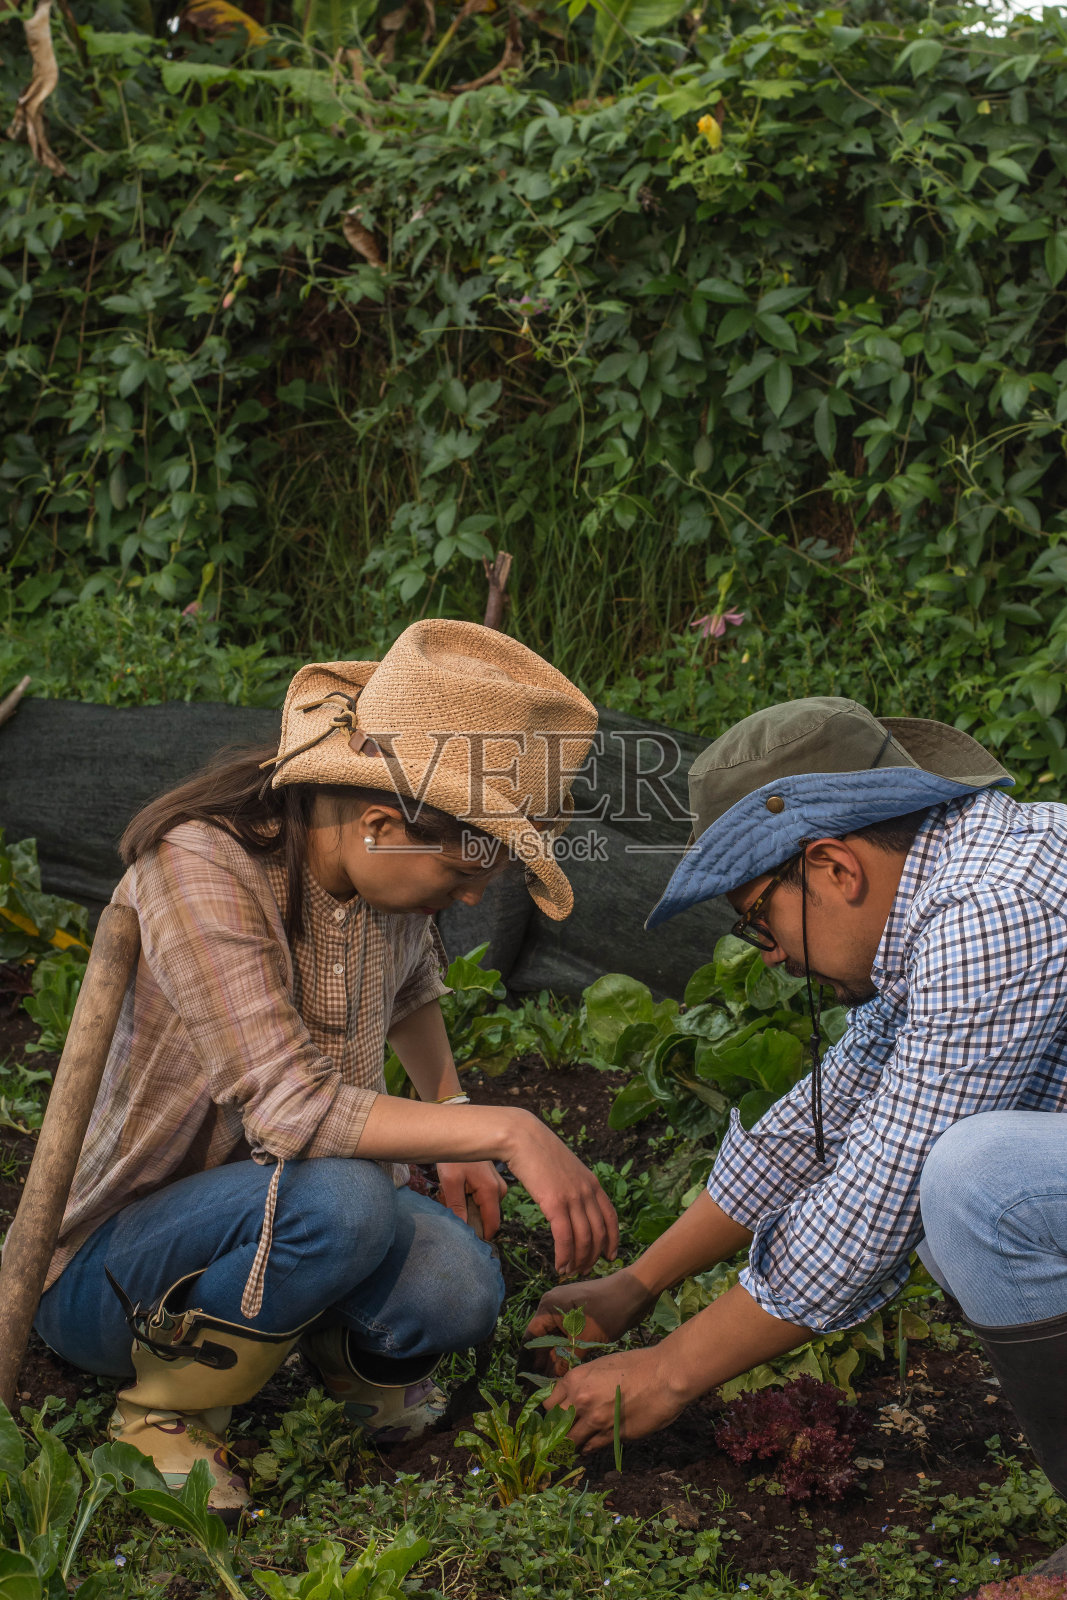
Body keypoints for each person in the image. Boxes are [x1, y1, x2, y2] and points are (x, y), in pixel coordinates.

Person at [36, 620, 618, 1514]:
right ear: (382, 824)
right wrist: (506, 1127)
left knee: (459, 1289)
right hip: (114, 1272)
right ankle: (161, 1414)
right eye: (463, 875)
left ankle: (323, 1354)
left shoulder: (367, 866)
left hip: (287, 1218)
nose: (469, 898)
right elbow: (289, 1113)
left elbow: (413, 982)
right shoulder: (203, 864)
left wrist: (449, 1106)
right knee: (343, 1198)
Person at [528, 695, 1067, 1520]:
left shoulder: (988, 909)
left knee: (975, 1184)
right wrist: (639, 1283)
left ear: (832, 869)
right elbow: (820, 1124)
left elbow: (879, 1193)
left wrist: (667, 1373)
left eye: (757, 921)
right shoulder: (939, 897)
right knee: (955, 1210)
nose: (772, 953)